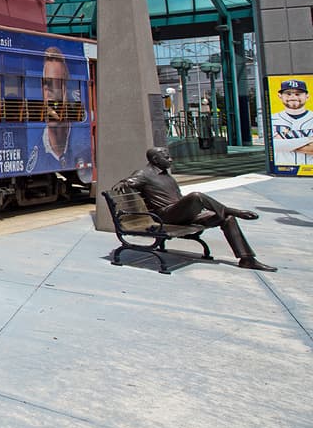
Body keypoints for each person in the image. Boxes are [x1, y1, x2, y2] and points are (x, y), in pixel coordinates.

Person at [115, 147, 275, 272]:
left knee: (227, 219)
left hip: (182, 215)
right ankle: (232, 210)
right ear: (155, 159)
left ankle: (247, 259)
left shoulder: (165, 175)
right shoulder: (144, 173)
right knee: (196, 196)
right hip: (166, 217)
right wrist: (124, 184)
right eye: (167, 157)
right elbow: (127, 182)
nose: (170, 159)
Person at [27, 46, 93, 182]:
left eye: (59, 85)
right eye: (48, 85)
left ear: (67, 90)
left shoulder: (83, 143)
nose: (53, 94)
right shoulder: (34, 153)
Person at [271, 78, 313, 167]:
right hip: (282, 170)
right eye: (288, 93)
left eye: (298, 94)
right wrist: (309, 139)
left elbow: (279, 146)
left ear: (307, 96)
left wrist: (286, 145)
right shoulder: (272, 119)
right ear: (280, 96)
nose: (293, 97)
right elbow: (273, 145)